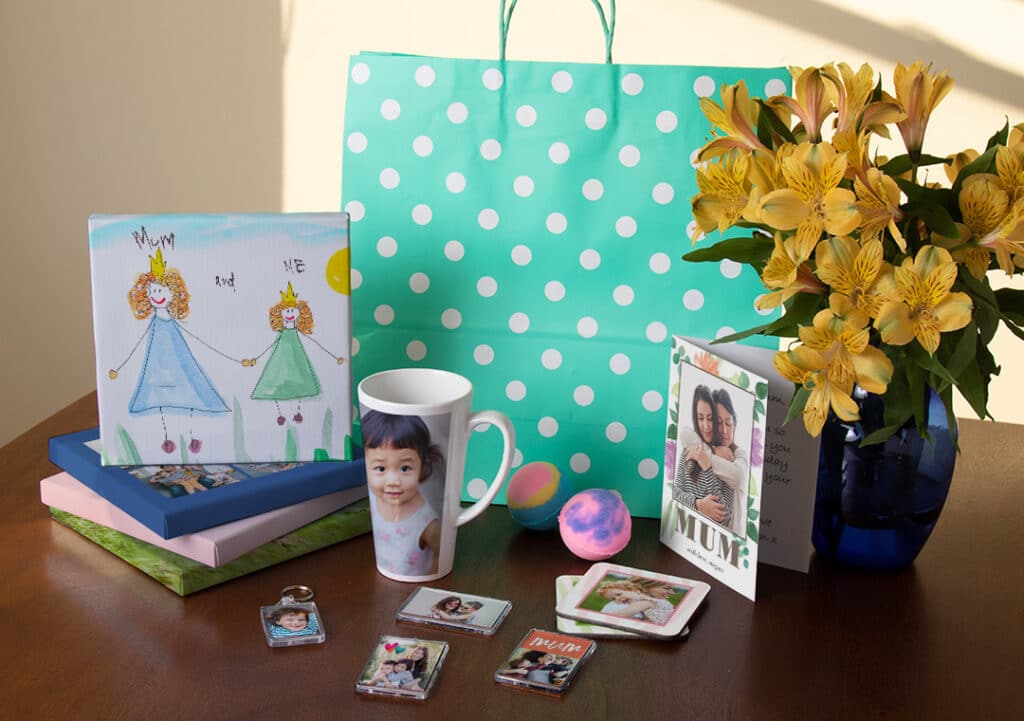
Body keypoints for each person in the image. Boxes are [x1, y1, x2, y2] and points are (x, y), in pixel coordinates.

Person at [108, 248, 230, 455]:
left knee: (189, 383)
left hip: (175, 352)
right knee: (158, 392)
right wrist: (120, 367)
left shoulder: (172, 324)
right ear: (145, 295)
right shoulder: (154, 324)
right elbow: (138, 343)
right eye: (152, 291)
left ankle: (192, 435)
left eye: (160, 290)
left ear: (173, 293)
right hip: (157, 362)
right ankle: (167, 436)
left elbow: (194, 338)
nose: (156, 295)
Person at [248, 282, 345, 426]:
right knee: (276, 371)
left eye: (292, 311)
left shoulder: (296, 332)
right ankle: (281, 414)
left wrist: (334, 356)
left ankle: (297, 411)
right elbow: (271, 346)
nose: (289, 314)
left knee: (300, 370)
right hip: (282, 351)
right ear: (280, 313)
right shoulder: (282, 335)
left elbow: (313, 340)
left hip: (295, 348)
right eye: (287, 311)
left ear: (299, 313)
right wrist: (256, 358)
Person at [362, 410, 444, 577]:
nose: (393, 481)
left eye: (405, 468)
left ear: (422, 466)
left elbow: (441, 554)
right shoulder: (374, 496)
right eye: (380, 468)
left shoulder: (427, 523)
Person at [673, 384, 744, 531]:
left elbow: (724, 518)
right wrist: (698, 504)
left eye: (711, 419)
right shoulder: (690, 447)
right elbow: (675, 492)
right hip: (684, 529)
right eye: (700, 418)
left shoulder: (727, 458)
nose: (705, 425)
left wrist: (707, 468)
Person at [710, 387, 750, 535]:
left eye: (729, 423)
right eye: (719, 423)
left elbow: (738, 476)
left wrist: (709, 453)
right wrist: (713, 449)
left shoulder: (740, 455)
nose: (725, 431)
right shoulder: (703, 447)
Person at [597, 580, 674, 625]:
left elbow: (620, 614)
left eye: (619, 594)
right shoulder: (651, 599)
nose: (618, 599)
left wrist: (598, 617)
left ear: (633, 590)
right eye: (613, 599)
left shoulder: (643, 603)